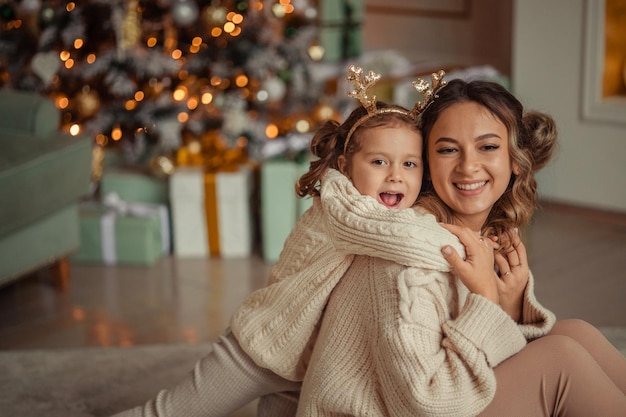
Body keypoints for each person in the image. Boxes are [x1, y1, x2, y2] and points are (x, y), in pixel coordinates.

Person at [287, 78, 626, 416]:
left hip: (444, 392)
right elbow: (427, 404)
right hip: (410, 408)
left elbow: (489, 355)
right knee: (561, 362)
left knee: (574, 333)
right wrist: (486, 301)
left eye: (488, 147)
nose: (468, 166)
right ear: (427, 165)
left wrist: (508, 310)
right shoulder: (408, 256)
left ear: (516, 160)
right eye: (448, 150)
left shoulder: (482, 236)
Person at [112, 65, 436, 417]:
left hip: (307, 367)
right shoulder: (342, 203)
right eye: (378, 161)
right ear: (345, 165)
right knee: (166, 413)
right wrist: (465, 241)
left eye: (410, 164)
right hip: (260, 348)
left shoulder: (394, 215)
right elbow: (403, 237)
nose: (395, 176)